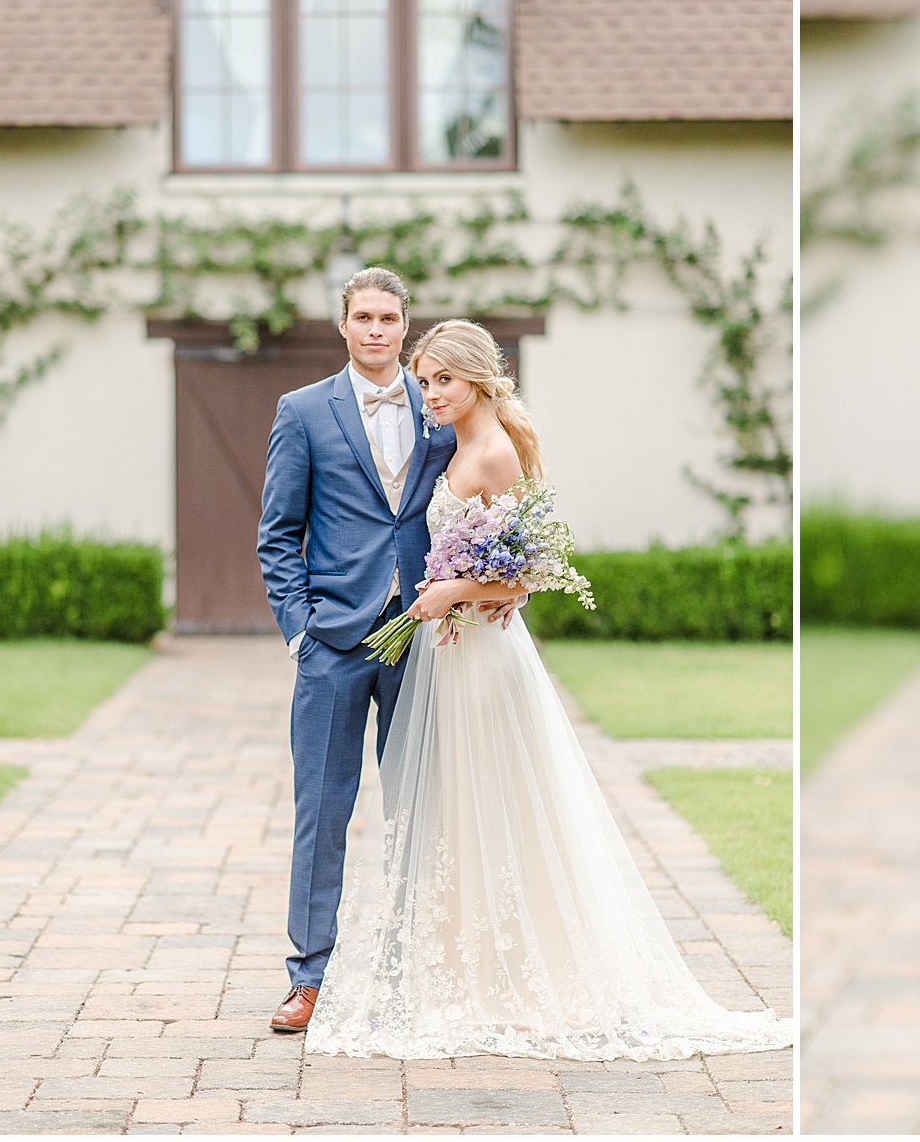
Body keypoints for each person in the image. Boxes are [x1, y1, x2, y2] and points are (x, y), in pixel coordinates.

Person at [303, 319, 794, 1061]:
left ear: (478, 378)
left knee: (493, 806)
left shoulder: (493, 452)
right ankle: (464, 970)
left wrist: (451, 592)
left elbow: (525, 570)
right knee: (456, 813)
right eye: (425, 379)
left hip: (479, 659)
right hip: (451, 649)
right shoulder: (457, 442)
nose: (429, 393)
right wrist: (455, 594)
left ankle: (512, 978)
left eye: (443, 380)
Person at [257, 267, 510, 1034]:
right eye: (362, 316)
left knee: (421, 809)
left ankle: (408, 968)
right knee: (321, 814)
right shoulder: (300, 412)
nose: (376, 329)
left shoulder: (441, 410)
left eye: (389, 318)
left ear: (405, 326)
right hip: (333, 643)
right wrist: (301, 630)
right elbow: (277, 535)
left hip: (425, 644)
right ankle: (309, 979)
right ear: (342, 324)